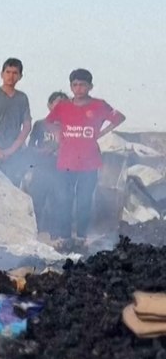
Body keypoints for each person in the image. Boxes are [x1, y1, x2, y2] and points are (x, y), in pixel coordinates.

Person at [46, 69, 126, 244]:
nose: (78, 88)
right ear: (71, 87)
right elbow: (49, 122)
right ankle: (65, 237)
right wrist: (59, 135)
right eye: (75, 85)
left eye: (82, 85)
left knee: (84, 200)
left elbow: (119, 117)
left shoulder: (99, 105)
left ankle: (81, 236)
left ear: (90, 86)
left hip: (89, 162)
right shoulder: (63, 106)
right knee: (64, 199)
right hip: (66, 161)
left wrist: (101, 133)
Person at [0, 58, 32, 185]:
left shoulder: (22, 98)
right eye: (8, 72)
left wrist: (11, 150)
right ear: (2, 74)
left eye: (15, 73)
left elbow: (27, 126)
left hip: (12, 153)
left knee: (11, 186)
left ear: (20, 76)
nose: (11, 76)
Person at [24, 91, 68, 239]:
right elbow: (30, 147)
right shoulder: (40, 124)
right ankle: (35, 233)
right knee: (37, 201)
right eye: (57, 103)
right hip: (42, 169)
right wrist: (40, 152)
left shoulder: (70, 126)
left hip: (61, 171)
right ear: (49, 106)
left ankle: (57, 236)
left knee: (60, 202)